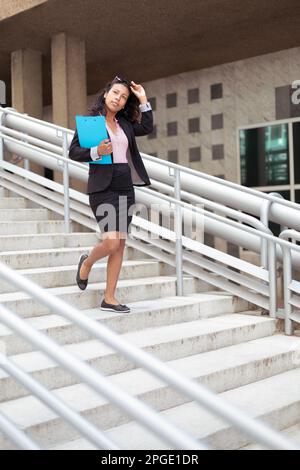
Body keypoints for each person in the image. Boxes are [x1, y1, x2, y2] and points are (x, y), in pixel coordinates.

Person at [68, 76, 153, 313]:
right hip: (102, 188)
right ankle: (87, 263)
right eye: (116, 93)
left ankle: (109, 297)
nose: (119, 98)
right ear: (106, 94)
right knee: (111, 242)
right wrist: (96, 151)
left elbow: (146, 127)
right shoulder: (91, 123)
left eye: (124, 97)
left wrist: (143, 98)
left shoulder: (125, 124)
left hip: (125, 185)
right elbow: (73, 151)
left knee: (120, 245)